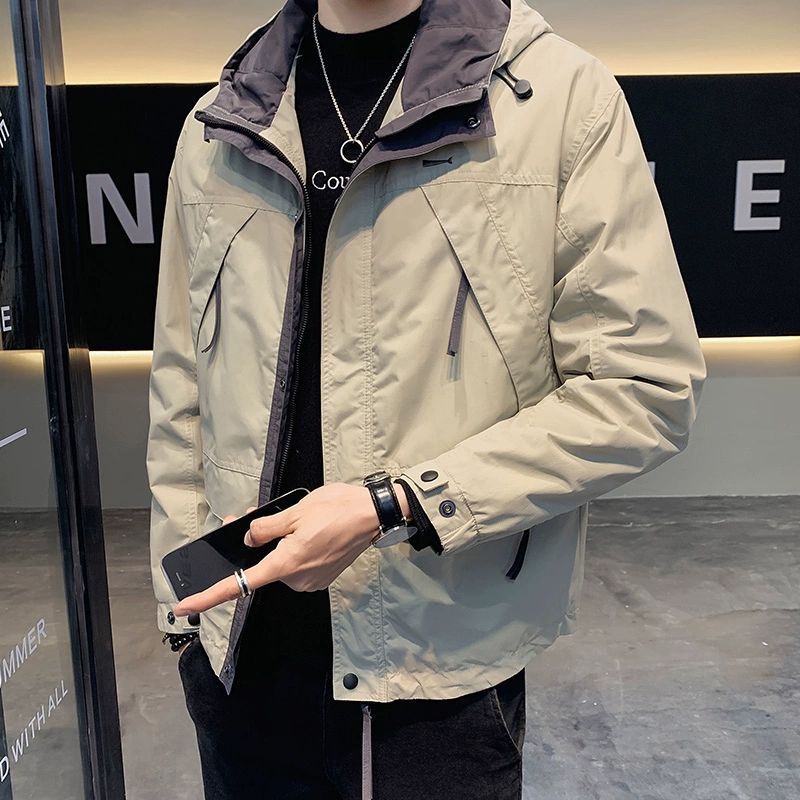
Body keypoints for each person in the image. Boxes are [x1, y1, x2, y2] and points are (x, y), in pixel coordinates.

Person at [146, 0, 707, 797]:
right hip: (240, 663)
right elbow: (182, 392)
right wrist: (183, 615)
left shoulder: (559, 101)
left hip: (437, 672)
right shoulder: (222, 123)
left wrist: (397, 502)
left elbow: (643, 386)